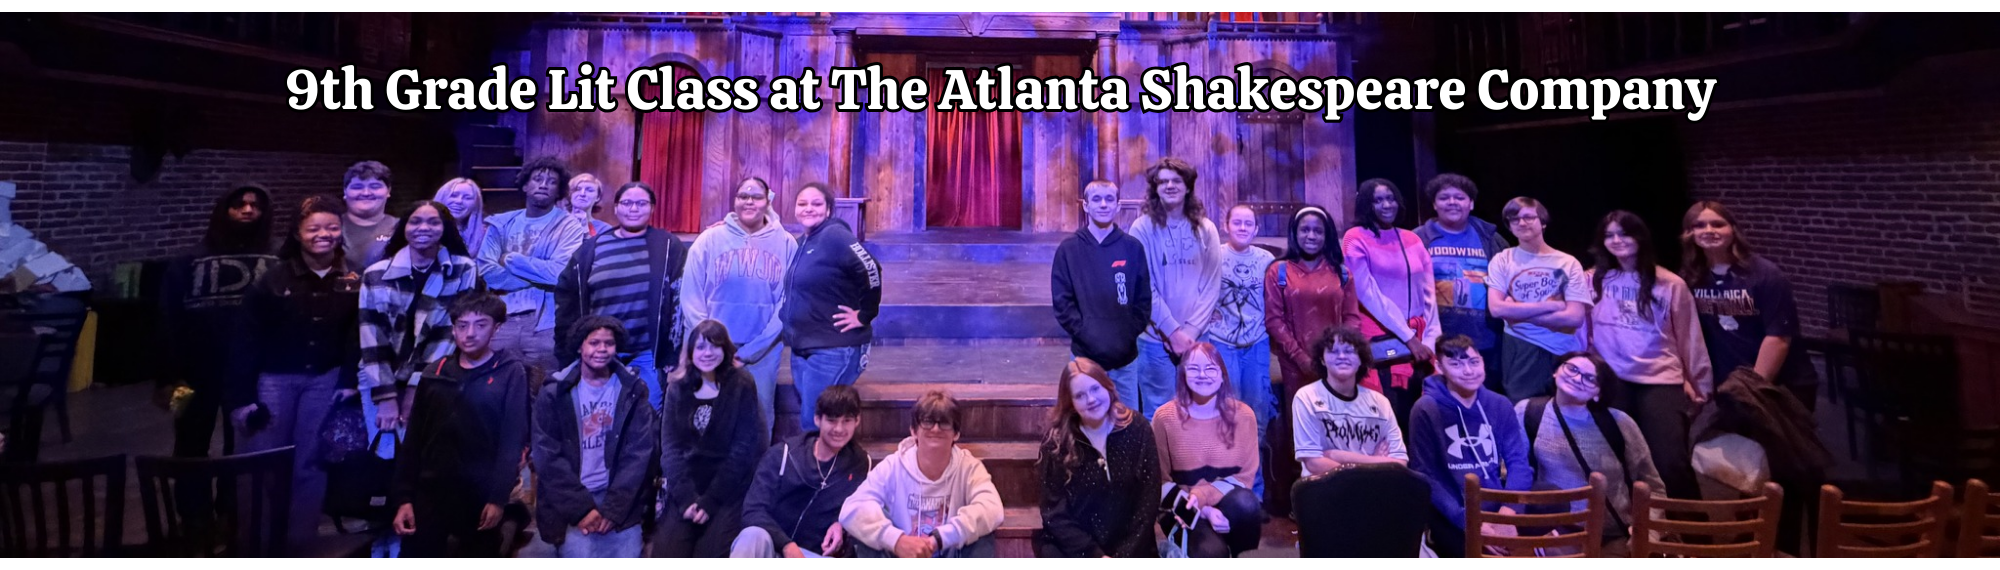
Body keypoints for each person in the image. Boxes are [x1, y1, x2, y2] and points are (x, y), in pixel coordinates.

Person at [233, 194, 360, 549]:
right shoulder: (271, 279)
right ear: (298, 232)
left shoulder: (353, 279)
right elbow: (246, 338)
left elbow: (356, 336)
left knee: (311, 463)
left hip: (324, 379)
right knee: (261, 463)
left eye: (333, 227)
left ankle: (299, 544)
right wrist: (242, 398)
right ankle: (255, 545)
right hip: (274, 379)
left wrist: (348, 380)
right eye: (314, 228)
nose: (324, 234)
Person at [391, 292, 530, 557]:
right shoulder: (436, 372)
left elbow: (511, 440)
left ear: (496, 327)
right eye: (462, 325)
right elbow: (414, 442)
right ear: (453, 329)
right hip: (430, 492)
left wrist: (497, 498)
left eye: (481, 325)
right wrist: (404, 498)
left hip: (479, 494)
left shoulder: (510, 372)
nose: (470, 333)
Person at [1587, 210, 1710, 499]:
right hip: (1613, 381)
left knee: (1670, 461)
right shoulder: (1591, 280)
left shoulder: (1669, 284)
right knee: (1621, 461)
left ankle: (1695, 536)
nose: (1617, 240)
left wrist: (1699, 384)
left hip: (1660, 379)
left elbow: (1690, 337)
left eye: (1624, 233)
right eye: (1609, 235)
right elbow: (1581, 331)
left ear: (1640, 236)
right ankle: (1641, 531)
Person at [162, 183, 275, 458]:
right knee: (188, 442)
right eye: (239, 204)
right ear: (224, 209)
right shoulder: (188, 259)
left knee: (245, 445)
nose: (248, 210)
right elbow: (167, 317)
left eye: (256, 205)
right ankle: (190, 502)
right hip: (191, 371)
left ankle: (234, 503)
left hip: (253, 370)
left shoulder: (278, 259)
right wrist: (165, 376)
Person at [531, 316, 658, 558]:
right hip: (574, 499)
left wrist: (613, 509)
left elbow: (639, 453)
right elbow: (547, 456)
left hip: (619, 500)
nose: (601, 349)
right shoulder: (554, 393)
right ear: (580, 346)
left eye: (608, 343)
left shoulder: (633, 390)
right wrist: (581, 510)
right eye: (594, 343)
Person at [1513, 352, 1665, 553]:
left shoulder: (1619, 423)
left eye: (1590, 378)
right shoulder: (1528, 412)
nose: (1577, 378)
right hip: (1557, 531)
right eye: (1572, 369)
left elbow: (1653, 486)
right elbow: (1516, 473)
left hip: (1613, 533)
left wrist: (1647, 533)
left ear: (1598, 393)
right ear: (1556, 372)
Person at [357, 201, 480, 449]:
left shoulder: (463, 270)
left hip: (436, 373)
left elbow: (447, 335)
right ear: (404, 227)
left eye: (433, 222)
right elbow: (372, 337)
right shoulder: (375, 274)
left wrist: (417, 387)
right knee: (386, 450)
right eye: (415, 221)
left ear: (444, 228)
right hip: (381, 373)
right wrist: (386, 397)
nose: (423, 227)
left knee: (424, 451)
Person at [556, 181, 686, 410]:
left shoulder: (667, 246)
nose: (633, 209)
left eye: (641, 203)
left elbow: (679, 301)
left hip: (646, 353)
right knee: (601, 418)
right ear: (615, 208)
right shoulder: (592, 249)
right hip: (600, 350)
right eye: (626, 203)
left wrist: (672, 355)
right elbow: (567, 300)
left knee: (648, 416)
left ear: (652, 208)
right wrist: (567, 351)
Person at [681, 176, 797, 424]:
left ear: (768, 201)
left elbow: (786, 304)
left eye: (756, 197)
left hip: (762, 352)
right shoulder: (709, 240)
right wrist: (711, 344)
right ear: (734, 201)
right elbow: (691, 296)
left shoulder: (786, 243)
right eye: (743, 196)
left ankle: (758, 465)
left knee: (758, 418)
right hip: (711, 349)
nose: (749, 202)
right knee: (707, 417)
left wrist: (751, 352)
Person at [1681, 201, 1818, 409]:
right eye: (1699, 225)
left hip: (1779, 383)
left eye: (1717, 224)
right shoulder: (1691, 277)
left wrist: (1752, 391)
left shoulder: (1766, 274)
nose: (1708, 230)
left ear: (1733, 230)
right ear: (1689, 233)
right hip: (1730, 383)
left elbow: (1778, 338)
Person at [1406, 335, 1533, 558]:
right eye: (1455, 364)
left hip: (1498, 506)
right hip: (1455, 511)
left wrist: (1508, 513)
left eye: (1473, 362)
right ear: (1439, 367)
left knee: (1552, 499)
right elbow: (1425, 475)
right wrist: (1470, 523)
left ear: (1482, 361)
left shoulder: (1499, 404)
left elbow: (1518, 463)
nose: (1468, 371)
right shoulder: (1426, 408)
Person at [839, 390, 1005, 558]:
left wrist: (940, 538)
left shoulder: (969, 467)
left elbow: (992, 509)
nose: (935, 428)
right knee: (867, 533)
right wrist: (897, 540)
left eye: (944, 423)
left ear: (956, 434)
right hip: (902, 557)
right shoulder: (893, 466)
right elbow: (851, 508)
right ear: (913, 430)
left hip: (950, 555)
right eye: (928, 422)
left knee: (982, 534)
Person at [655, 319, 771, 558]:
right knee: (666, 552)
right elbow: (671, 449)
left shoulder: (742, 384)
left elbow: (743, 450)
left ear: (725, 350)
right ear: (690, 352)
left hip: (726, 487)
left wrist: (710, 501)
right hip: (686, 484)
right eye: (700, 347)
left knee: (712, 553)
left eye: (714, 346)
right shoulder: (677, 387)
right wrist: (687, 499)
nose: (707, 353)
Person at [783, 182, 883, 433]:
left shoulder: (834, 235)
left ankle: (830, 473)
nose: (809, 209)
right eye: (802, 203)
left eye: (816, 204)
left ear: (828, 210)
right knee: (813, 420)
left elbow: (871, 268)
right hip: (804, 348)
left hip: (834, 349)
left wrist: (866, 314)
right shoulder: (804, 241)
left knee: (815, 423)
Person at [1128, 158, 1223, 420]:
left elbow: (1212, 284)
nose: (1170, 186)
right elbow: (1144, 286)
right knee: (1159, 414)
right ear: (1155, 188)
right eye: (1163, 181)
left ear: (1188, 186)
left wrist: (1189, 332)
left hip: (1198, 338)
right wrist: (1172, 331)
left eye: (1176, 181)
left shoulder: (1206, 229)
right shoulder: (1142, 228)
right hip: (1155, 340)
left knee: (1202, 412)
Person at [1037, 357, 1162, 558]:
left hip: (1133, 546)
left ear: (1108, 388)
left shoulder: (1138, 429)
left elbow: (1148, 501)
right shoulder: (1056, 443)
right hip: (1074, 548)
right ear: (1070, 403)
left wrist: (1122, 556)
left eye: (1095, 389)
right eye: (1080, 395)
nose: (1091, 399)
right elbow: (1054, 513)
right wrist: (1096, 556)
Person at [479, 156, 590, 377]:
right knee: (497, 387)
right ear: (525, 184)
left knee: (544, 391)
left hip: (547, 323)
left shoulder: (569, 225)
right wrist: (539, 275)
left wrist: (510, 259)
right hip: (502, 318)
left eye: (551, 181)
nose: (543, 184)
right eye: (537, 179)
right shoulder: (501, 223)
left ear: (558, 190)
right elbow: (487, 271)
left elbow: (559, 274)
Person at [1051, 180, 1152, 422]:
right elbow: (1063, 304)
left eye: (1109, 199)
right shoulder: (1069, 249)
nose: (1103, 204)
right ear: (1085, 206)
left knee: (1127, 426)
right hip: (1085, 358)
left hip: (1125, 359)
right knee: (1085, 425)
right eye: (1096, 199)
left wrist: (1125, 335)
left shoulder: (1132, 248)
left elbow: (1143, 302)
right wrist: (1089, 335)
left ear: (1118, 206)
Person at [732, 384, 870, 558]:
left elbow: (861, 511)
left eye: (847, 421)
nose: (839, 429)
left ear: (857, 421)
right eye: (832, 420)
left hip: (811, 556)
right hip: (773, 548)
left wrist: (841, 525)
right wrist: (786, 545)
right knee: (752, 535)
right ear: (817, 419)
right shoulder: (783, 455)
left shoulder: (859, 463)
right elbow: (753, 511)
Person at [1151, 342, 1262, 557]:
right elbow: (1160, 483)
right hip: (1181, 507)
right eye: (1193, 369)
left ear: (1222, 375)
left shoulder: (1244, 415)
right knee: (1211, 553)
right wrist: (1205, 510)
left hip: (1225, 500)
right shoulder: (1164, 418)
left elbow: (1245, 477)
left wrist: (1203, 495)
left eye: (1210, 368)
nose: (1202, 375)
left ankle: (1240, 554)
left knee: (1247, 505)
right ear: (1183, 374)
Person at [1342, 178, 1440, 422]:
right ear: (1366, 205)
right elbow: (1368, 294)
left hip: (1420, 338)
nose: (1387, 205)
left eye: (1391, 198)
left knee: (1420, 415)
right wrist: (1408, 337)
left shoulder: (1412, 238)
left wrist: (1430, 339)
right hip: (1382, 338)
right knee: (1390, 415)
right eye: (1378, 200)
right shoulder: (1355, 237)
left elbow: (1429, 293)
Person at [1487, 196, 1592, 400]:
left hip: (1563, 347)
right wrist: (1550, 306)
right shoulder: (1503, 260)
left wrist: (1516, 312)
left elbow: (1574, 317)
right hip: (1520, 346)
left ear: (1542, 222)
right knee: (1523, 410)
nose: (1521, 222)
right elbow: (1497, 309)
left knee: (1566, 410)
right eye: (1514, 219)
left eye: (1528, 217)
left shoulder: (1566, 263)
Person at [1414, 174, 1512, 393]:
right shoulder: (1417, 239)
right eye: (1444, 197)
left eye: (1459, 197)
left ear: (1471, 203)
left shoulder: (1492, 239)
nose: (1452, 202)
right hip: (1436, 342)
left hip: (1486, 340)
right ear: (1434, 204)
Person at [1207, 205, 1275, 474]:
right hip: (1222, 342)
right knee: (1226, 408)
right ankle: (1224, 477)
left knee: (1257, 412)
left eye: (1249, 224)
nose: (1243, 228)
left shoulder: (1266, 259)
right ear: (1226, 226)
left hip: (1256, 342)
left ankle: (1254, 486)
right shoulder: (1215, 256)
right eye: (1238, 223)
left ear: (1256, 229)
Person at [1291, 326, 1408, 477]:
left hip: (1372, 489)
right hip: (1323, 490)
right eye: (1333, 351)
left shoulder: (1380, 403)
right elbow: (1314, 463)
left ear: (1361, 359)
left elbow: (1400, 463)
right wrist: (1375, 462)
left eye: (1349, 351)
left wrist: (1336, 456)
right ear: (1322, 360)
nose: (1341, 356)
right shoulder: (1307, 397)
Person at [341, 160, 399, 273]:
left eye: (375, 186)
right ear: (345, 191)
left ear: (388, 191)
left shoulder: (401, 228)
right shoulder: (330, 228)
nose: (366, 193)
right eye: (357, 187)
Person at [432, 177, 487, 259]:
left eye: (467, 198)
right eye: (453, 195)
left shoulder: (486, 234)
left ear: (476, 205)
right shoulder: (424, 230)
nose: (459, 201)